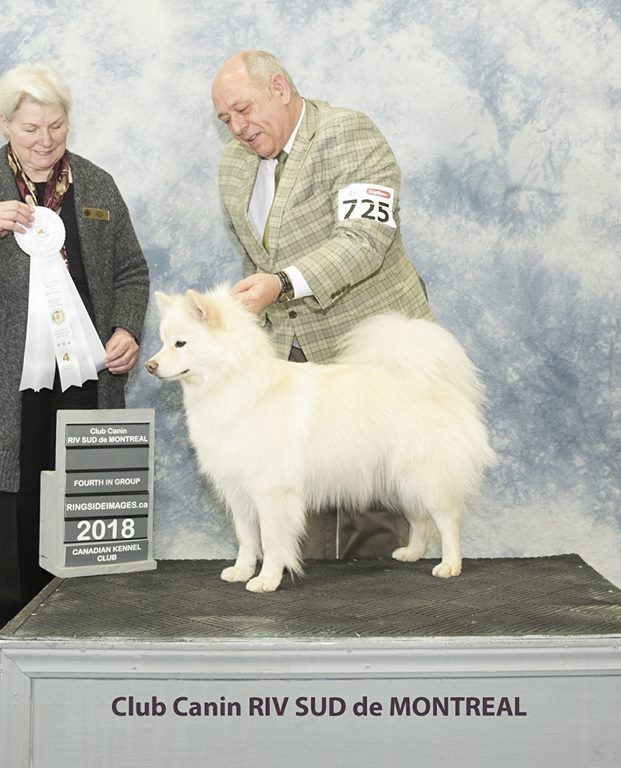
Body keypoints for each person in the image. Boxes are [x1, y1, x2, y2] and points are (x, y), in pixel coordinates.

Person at [0, 63, 149, 643]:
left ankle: (80, 650)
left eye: (55, 125)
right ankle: (8, 654)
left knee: (83, 525)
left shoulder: (97, 187)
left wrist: (125, 328)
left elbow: (131, 271)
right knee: (7, 533)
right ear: (3, 125)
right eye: (29, 128)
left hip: (86, 388)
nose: (44, 139)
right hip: (0, 399)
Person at [211, 50, 433, 560]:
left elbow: (364, 240)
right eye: (225, 120)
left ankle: (379, 624)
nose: (238, 128)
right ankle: (302, 624)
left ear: (281, 89)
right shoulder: (232, 165)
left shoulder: (347, 135)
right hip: (289, 366)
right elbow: (256, 260)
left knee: (373, 510)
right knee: (290, 509)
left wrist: (281, 283)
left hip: (371, 357)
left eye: (244, 110)